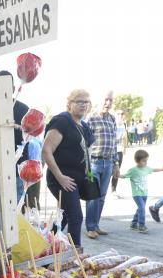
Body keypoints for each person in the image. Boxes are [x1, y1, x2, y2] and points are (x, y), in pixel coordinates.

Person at [42, 89, 94, 246]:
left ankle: (43, 244)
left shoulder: (84, 125)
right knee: (75, 216)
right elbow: (46, 150)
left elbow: (86, 152)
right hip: (62, 179)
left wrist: (89, 175)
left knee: (63, 216)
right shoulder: (62, 121)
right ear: (69, 104)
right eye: (79, 101)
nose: (83, 105)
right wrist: (60, 177)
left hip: (77, 179)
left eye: (86, 102)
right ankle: (75, 255)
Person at [85, 91, 119, 238]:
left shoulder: (112, 119)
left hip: (108, 162)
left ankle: (96, 225)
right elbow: (84, 142)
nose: (108, 103)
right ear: (99, 100)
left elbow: (114, 143)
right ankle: (90, 227)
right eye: (106, 99)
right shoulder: (91, 118)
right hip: (94, 162)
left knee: (102, 196)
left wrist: (116, 163)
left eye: (110, 100)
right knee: (93, 195)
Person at [0, 70, 32, 204]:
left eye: (6, 87)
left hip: (17, 169)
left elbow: (29, 135)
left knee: (15, 208)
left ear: (13, 88)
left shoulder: (23, 109)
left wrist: (17, 126)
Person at [126, 149, 163, 233]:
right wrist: (117, 175)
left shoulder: (146, 168)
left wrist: (162, 169)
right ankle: (141, 225)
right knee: (142, 208)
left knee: (140, 208)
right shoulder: (133, 170)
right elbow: (125, 175)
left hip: (144, 193)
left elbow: (153, 169)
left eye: (146, 161)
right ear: (137, 161)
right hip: (137, 193)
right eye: (144, 161)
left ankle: (133, 224)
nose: (146, 163)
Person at [111, 111, 127, 194]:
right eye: (118, 113)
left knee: (117, 170)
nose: (120, 115)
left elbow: (124, 136)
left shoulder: (123, 125)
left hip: (119, 150)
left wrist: (124, 147)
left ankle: (114, 190)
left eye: (122, 114)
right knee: (108, 170)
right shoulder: (112, 123)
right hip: (111, 150)